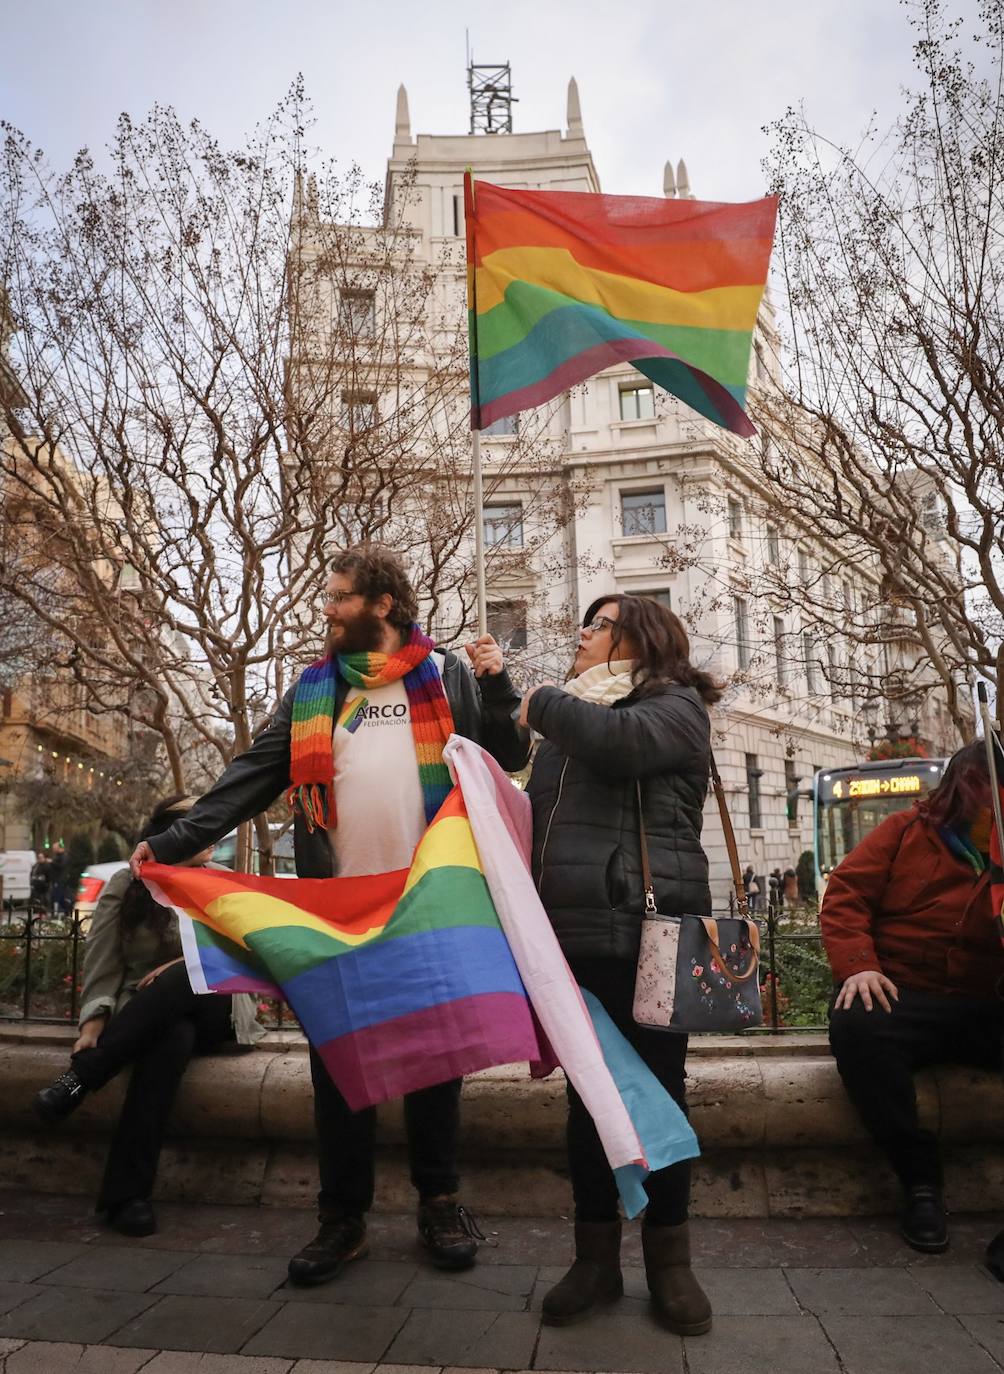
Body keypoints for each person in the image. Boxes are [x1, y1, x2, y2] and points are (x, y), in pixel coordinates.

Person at [127, 544, 530, 1283]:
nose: (326, 607)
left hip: (429, 904)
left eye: (339, 596)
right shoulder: (313, 691)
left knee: (435, 1062)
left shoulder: (447, 677)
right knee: (338, 1067)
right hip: (336, 914)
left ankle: (439, 1201)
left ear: (381, 606)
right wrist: (173, 840)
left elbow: (506, 753)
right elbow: (249, 777)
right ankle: (341, 1220)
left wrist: (500, 685)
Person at [521, 593, 721, 1335]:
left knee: (660, 1094)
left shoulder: (676, 706)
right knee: (586, 1107)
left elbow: (623, 745)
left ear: (636, 639)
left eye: (595, 625)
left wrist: (538, 699)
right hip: (572, 936)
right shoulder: (571, 722)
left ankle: (671, 1264)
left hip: (654, 936)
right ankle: (595, 1259)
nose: (580, 635)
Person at [32, 796, 262, 1236]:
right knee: (171, 1037)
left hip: (220, 1003)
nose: (211, 832)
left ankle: (78, 1080)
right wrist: (95, 1021)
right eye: (198, 824)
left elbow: (244, 957)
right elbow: (103, 962)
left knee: (183, 980)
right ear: (171, 834)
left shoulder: (223, 882)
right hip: (151, 1014)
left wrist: (181, 966)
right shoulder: (128, 882)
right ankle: (127, 1197)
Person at [821, 740, 1004, 1254]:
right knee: (858, 1028)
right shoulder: (903, 831)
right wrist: (859, 967)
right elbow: (846, 895)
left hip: (985, 999)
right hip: (906, 992)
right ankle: (919, 1180)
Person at [49, 843, 68, 917]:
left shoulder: (64, 856)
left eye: (54, 848)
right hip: (56, 879)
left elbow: (62, 866)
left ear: (59, 848)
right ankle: (56, 911)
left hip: (60, 879)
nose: (53, 850)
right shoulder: (56, 856)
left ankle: (60, 911)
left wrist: (52, 862)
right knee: (55, 896)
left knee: (58, 896)